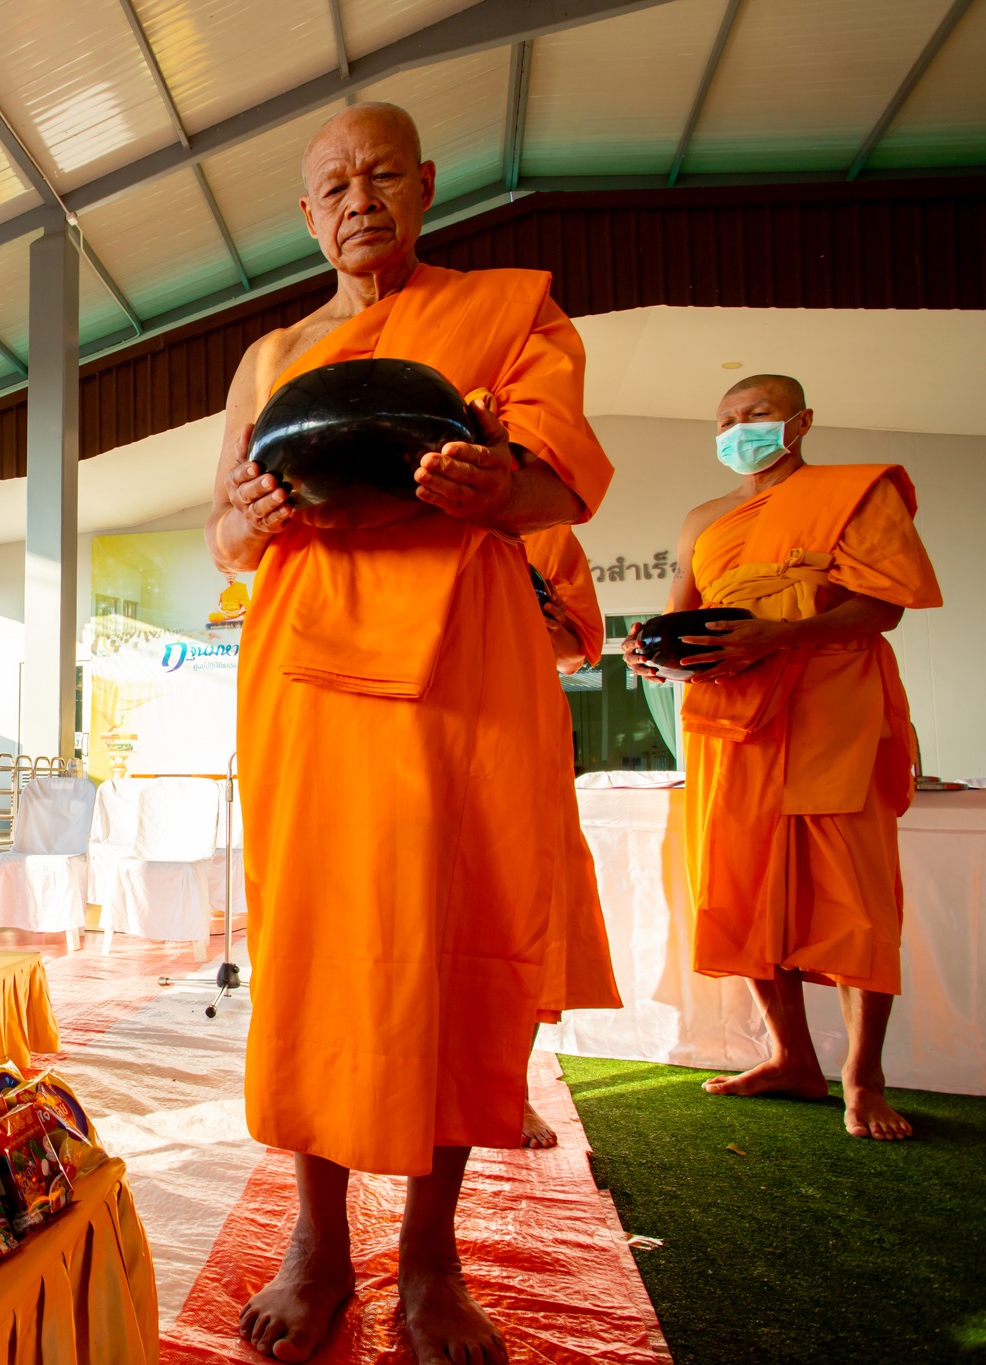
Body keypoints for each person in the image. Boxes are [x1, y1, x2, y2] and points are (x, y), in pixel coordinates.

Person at [209, 103, 613, 1364]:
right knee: (321, 945)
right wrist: (256, 518)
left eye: (380, 172)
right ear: (304, 214)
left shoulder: (509, 313)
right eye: (331, 183)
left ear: (426, 185)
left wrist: (503, 488)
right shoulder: (269, 351)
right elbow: (220, 535)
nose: (357, 197)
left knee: (455, 937)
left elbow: (557, 481)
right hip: (308, 666)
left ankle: (431, 1259)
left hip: (462, 663)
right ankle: (314, 1240)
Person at [622, 374, 940, 1141]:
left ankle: (864, 1076)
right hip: (735, 723)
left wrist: (780, 635)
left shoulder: (852, 494)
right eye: (726, 419)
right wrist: (648, 652)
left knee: (856, 900)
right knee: (747, 885)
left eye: (756, 415)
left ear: (798, 422)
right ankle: (791, 1057)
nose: (739, 429)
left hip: (832, 711)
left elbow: (886, 604)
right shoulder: (706, 517)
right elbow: (684, 614)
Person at [520, 527, 624, 1149]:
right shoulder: (388, 511)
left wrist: (540, 618)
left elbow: (574, 652)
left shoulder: (548, 536)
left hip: (522, 724)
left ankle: (511, 1086)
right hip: (411, 723)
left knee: (528, 908)